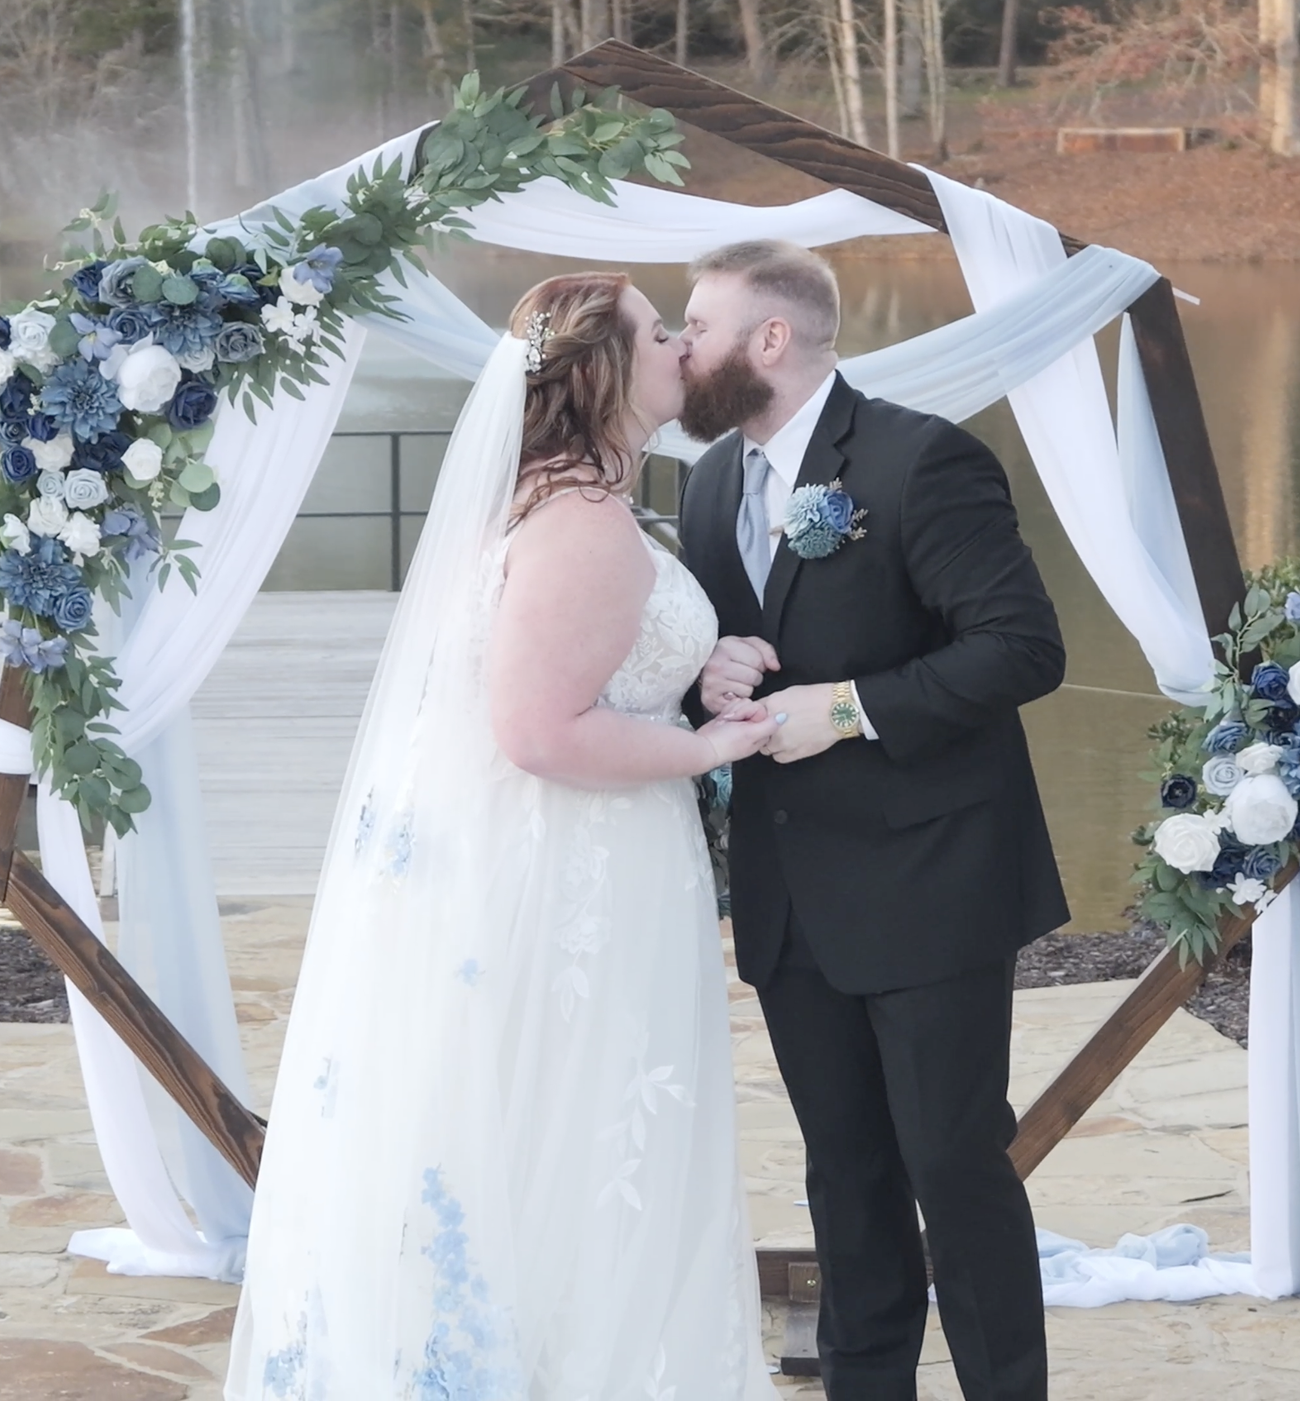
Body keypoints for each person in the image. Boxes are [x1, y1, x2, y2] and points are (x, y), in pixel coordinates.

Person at [225, 272, 783, 1399]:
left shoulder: (561, 496)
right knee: (573, 1143)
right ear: (604, 372)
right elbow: (538, 730)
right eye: (658, 332)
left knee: (548, 1137)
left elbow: (588, 663)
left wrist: (695, 673)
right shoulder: (579, 518)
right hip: (575, 870)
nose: (682, 345)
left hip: (554, 861)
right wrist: (715, 750)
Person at [677, 239, 1069, 1401]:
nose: (680, 347)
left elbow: (1022, 649)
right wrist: (715, 672)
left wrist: (846, 709)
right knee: (842, 1171)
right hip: (794, 894)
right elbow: (728, 652)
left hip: (932, 876)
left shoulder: (917, 460)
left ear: (770, 341)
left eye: (696, 326)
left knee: (952, 1164)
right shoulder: (707, 483)